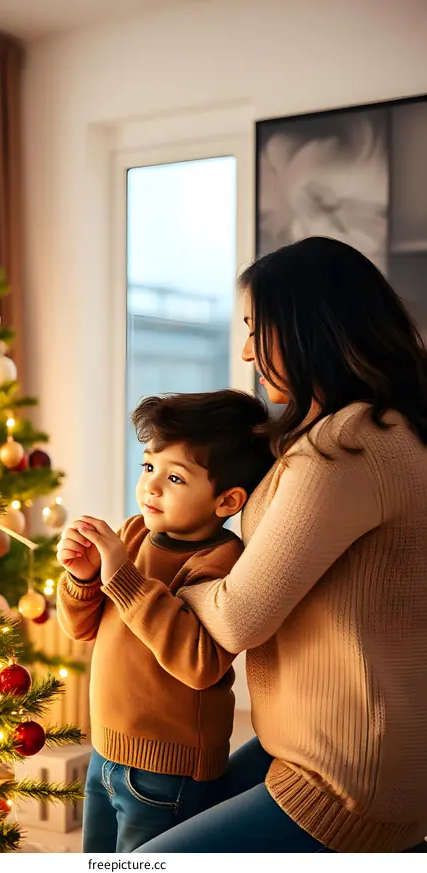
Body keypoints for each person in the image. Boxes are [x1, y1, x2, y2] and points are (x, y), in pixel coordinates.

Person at [117, 236, 427, 853]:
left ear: (311, 328)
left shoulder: (345, 449)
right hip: (333, 746)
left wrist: (152, 579)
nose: (246, 351)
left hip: (346, 776)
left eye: (259, 330)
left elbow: (237, 618)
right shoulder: (387, 428)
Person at [55, 389, 274, 853]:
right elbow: (81, 628)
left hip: (167, 773)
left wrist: (123, 576)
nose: (151, 487)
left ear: (226, 501)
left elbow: (200, 662)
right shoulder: (134, 533)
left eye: (175, 477)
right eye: (149, 467)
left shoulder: (221, 561)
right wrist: (83, 578)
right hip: (106, 748)